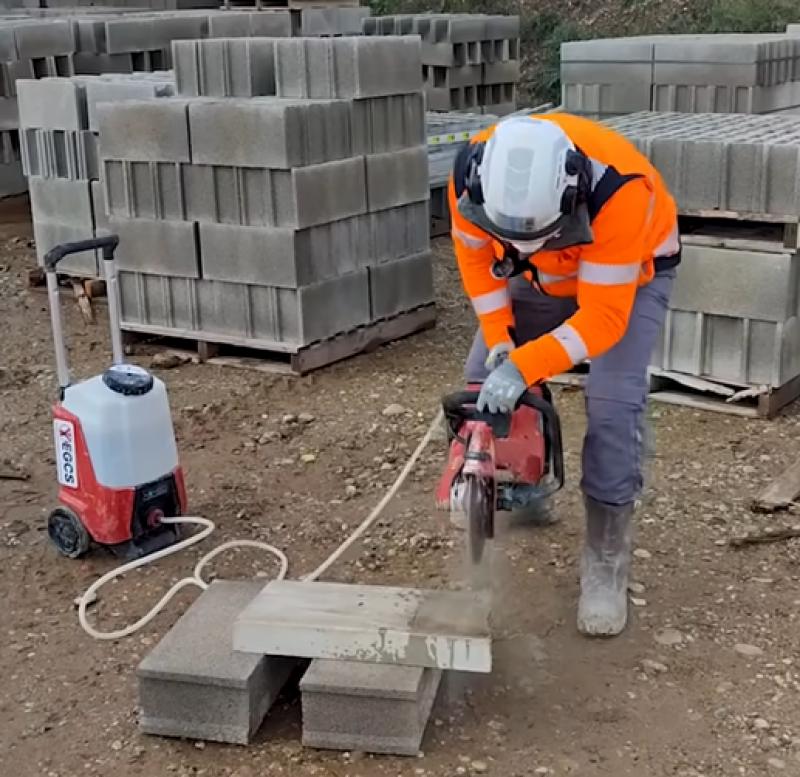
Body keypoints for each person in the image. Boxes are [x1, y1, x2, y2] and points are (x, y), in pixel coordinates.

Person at [445, 111, 681, 638]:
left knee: (613, 405)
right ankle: (525, 486)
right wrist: (502, 338)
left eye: (540, 234)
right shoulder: (468, 175)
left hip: (630, 278)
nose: (530, 244)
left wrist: (527, 363)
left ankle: (605, 558)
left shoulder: (621, 192)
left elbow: (601, 319)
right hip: (534, 278)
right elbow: (478, 263)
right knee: (483, 379)